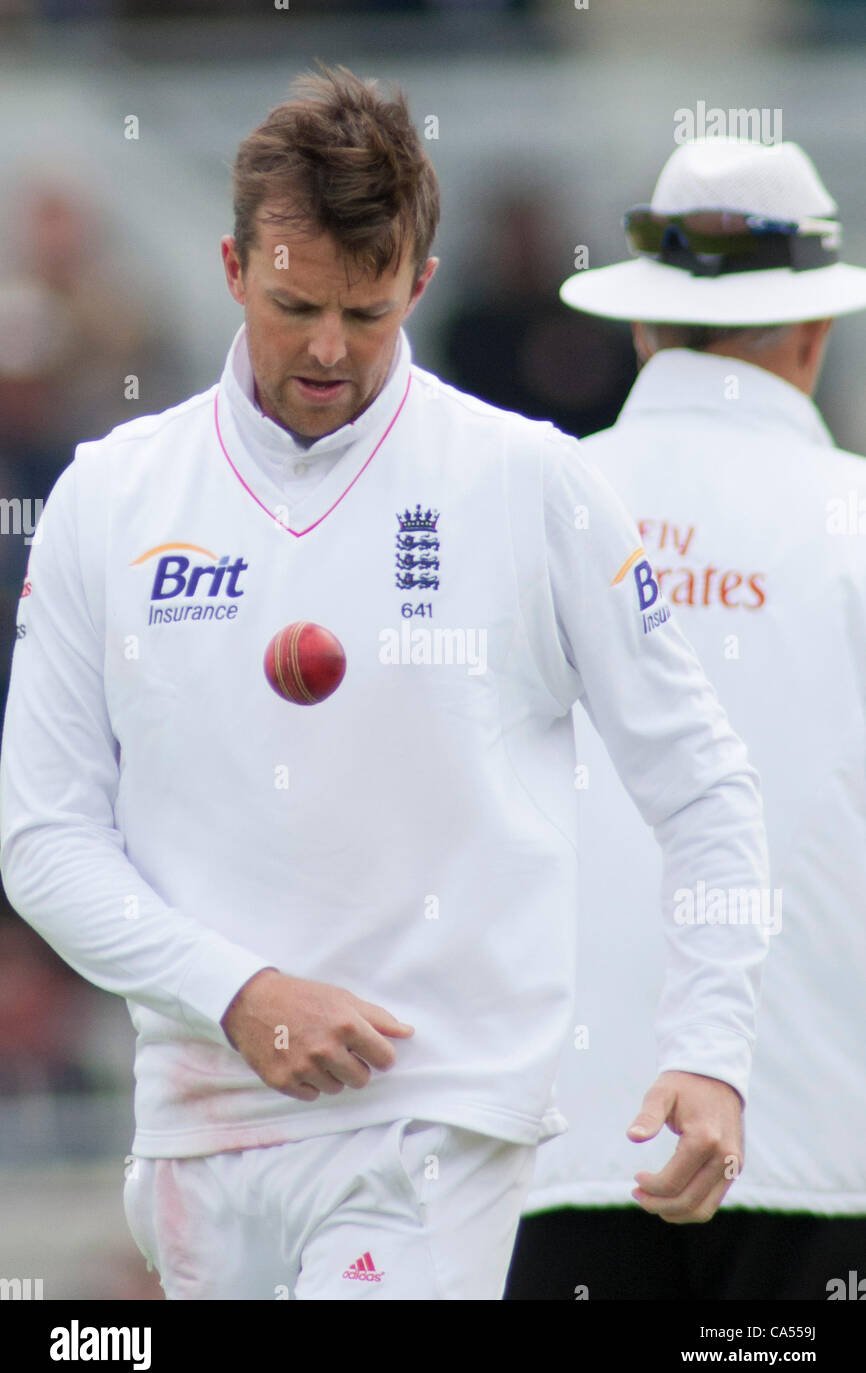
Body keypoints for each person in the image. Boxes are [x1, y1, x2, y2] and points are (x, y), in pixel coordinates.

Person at [0, 70, 769, 1302]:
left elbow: (703, 787)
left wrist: (710, 1051)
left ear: (417, 279)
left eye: (364, 313)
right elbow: (41, 840)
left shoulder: (531, 482)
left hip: (436, 1123)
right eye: (295, 303)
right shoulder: (111, 493)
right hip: (200, 1125)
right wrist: (236, 993)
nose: (325, 349)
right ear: (231, 266)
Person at [507, 136, 866, 1301]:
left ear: (640, 326)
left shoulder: (522, 516)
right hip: (823, 1153)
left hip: (550, 1154)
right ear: (813, 334)